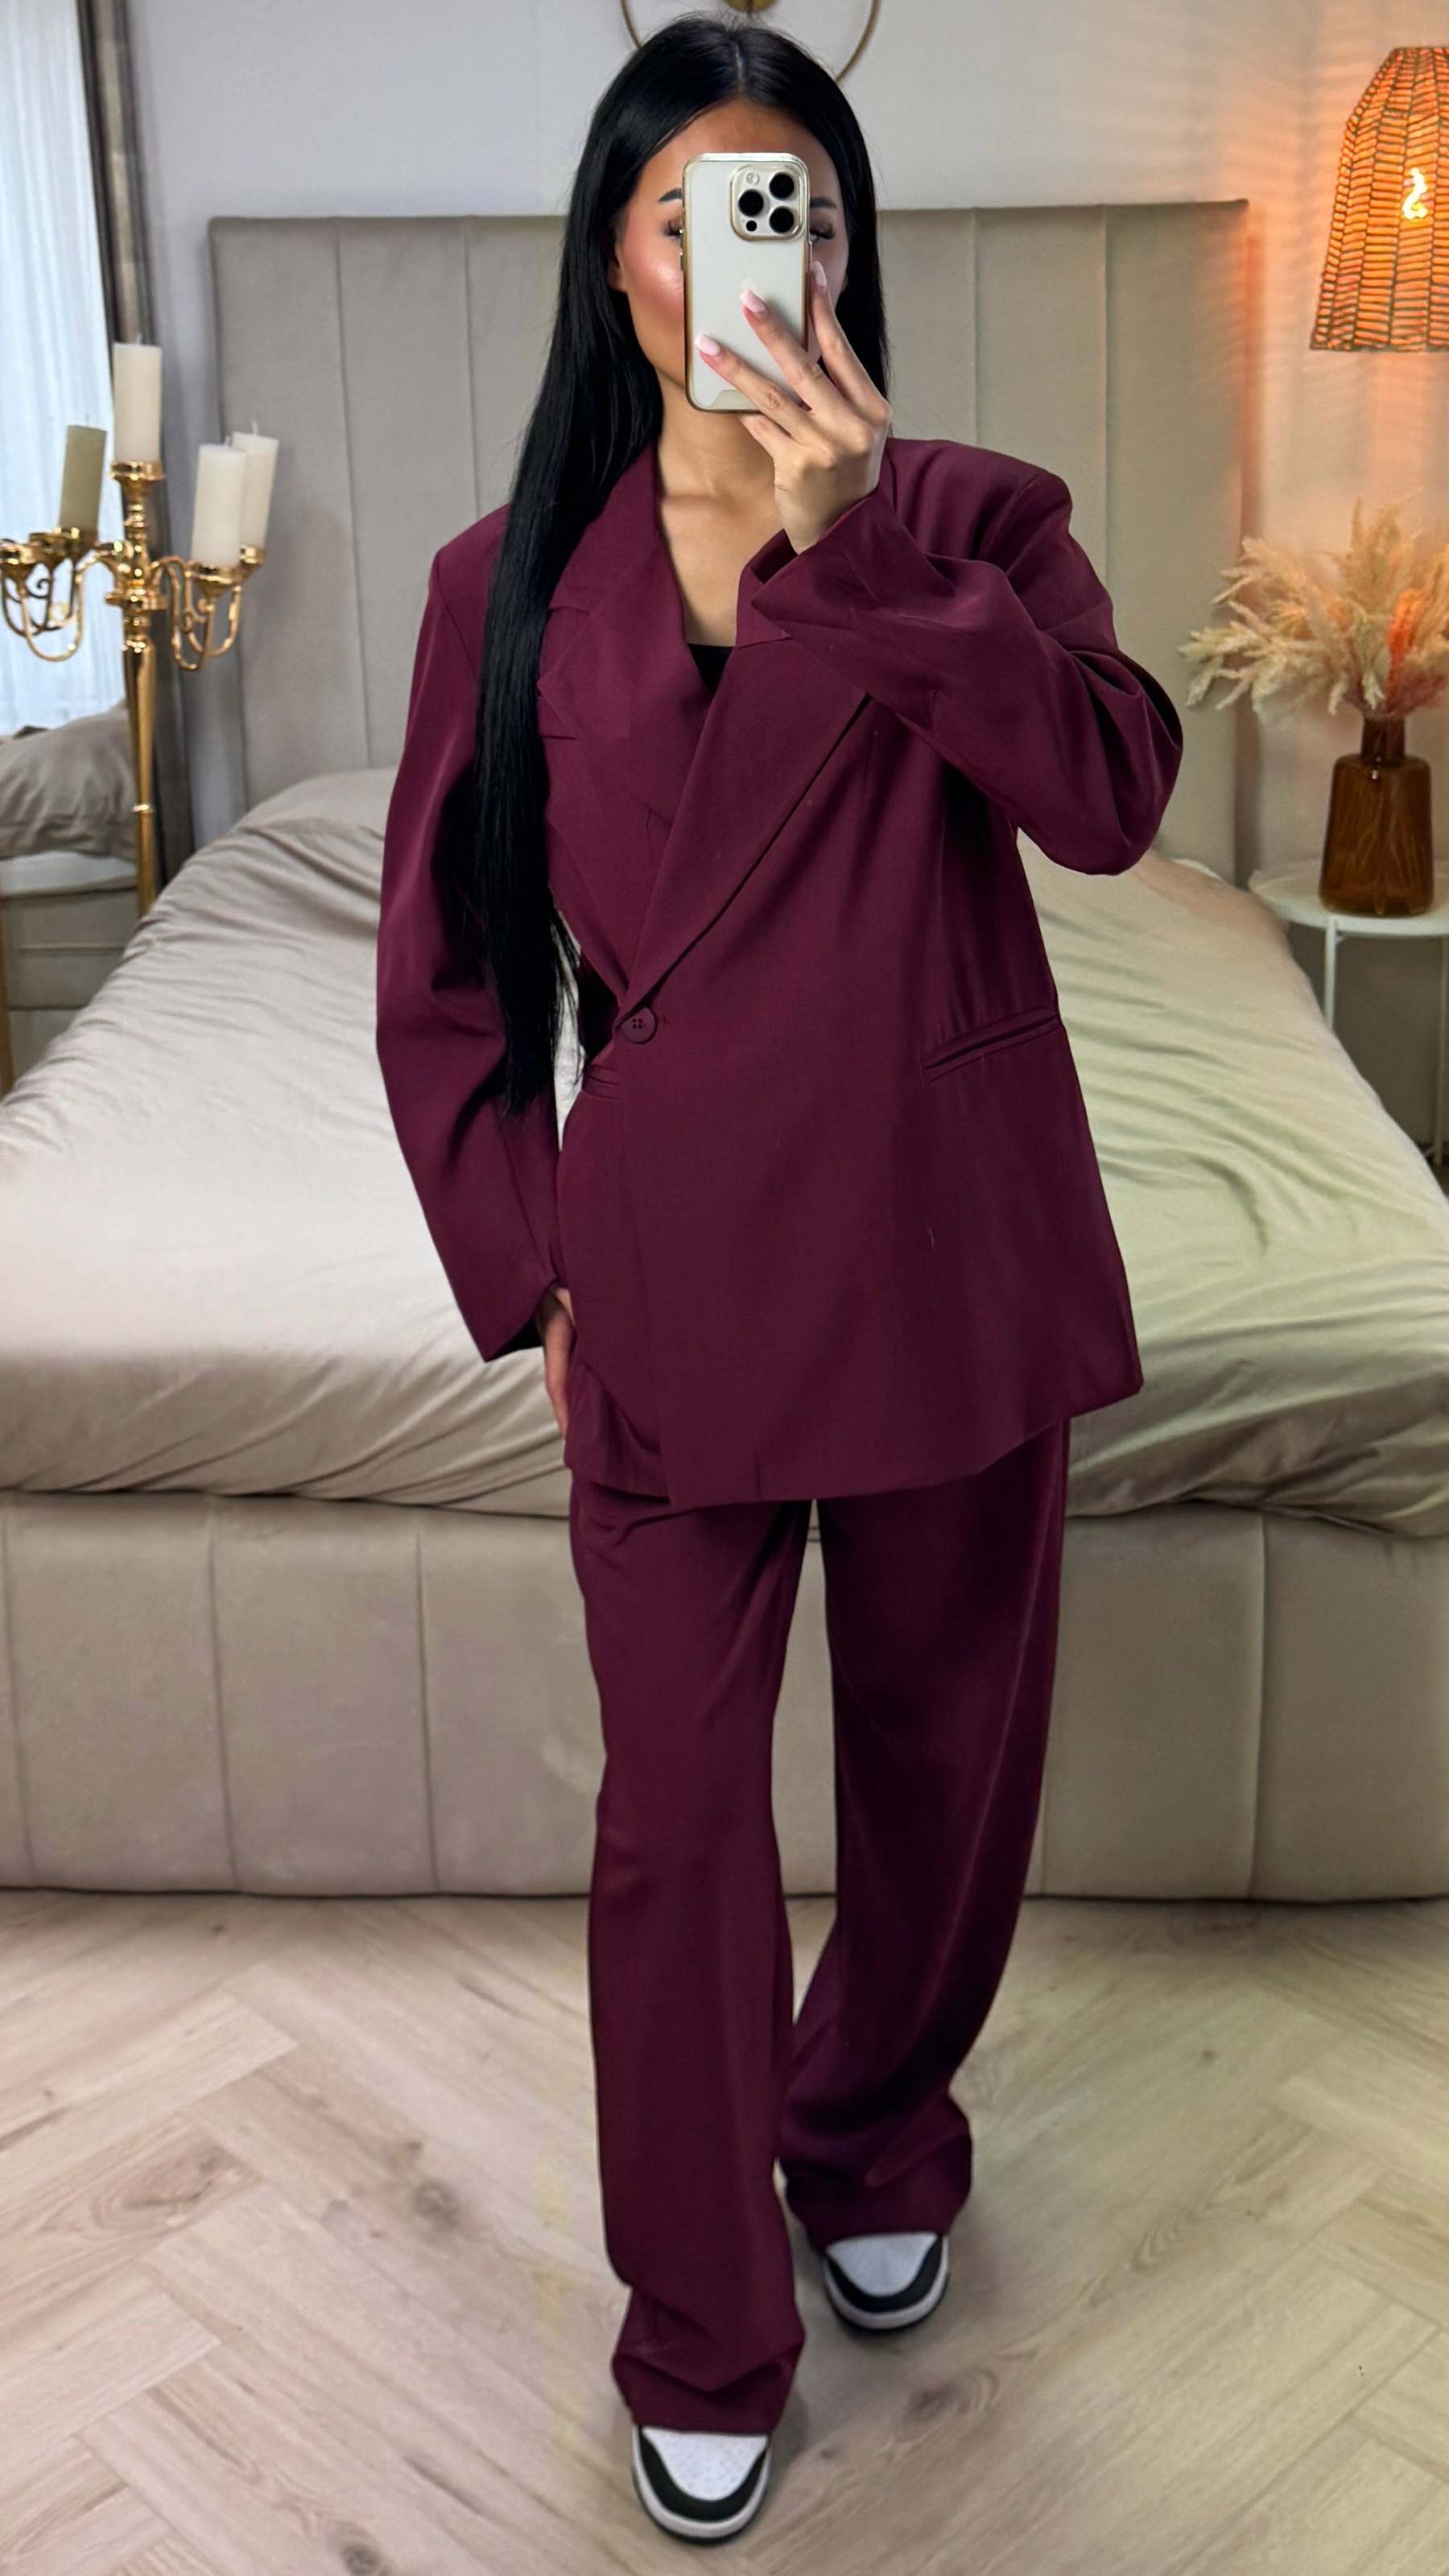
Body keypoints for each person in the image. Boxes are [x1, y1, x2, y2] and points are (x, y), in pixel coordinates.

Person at [376, 10, 1184, 2546]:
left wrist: (869, 564)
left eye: (804, 209)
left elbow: (1112, 797)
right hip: (674, 1279)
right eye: (705, 212)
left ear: (848, 251)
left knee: (944, 1780)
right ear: (615, 265)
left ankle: (871, 2131)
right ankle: (702, 2320)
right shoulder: (503, 587)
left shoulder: (973, 514)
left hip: (949, 1245)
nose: (764, 253)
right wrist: (535, 1268)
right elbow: (447, 978)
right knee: (680, 1828)